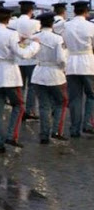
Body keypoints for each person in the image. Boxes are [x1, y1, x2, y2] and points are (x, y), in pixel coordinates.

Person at [0, 7, 40, 153]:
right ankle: (11, 136)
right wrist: (35, 44)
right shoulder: (11, 33)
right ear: (8, 19)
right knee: (19, 105)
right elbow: (23, 54)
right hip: (9, 73)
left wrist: (17, 41)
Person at [31, 12, 68, 143]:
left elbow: (30, 54)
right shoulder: (57, 38)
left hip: (39, 72)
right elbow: (61, 59)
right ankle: (57, 131)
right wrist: (64, 69)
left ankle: (44, 134)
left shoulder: (35, 37)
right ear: (52, 23)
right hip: (55, 74)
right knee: (61, 103)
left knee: (43, 106)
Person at [61, 0, 94, 138]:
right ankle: (87, 123)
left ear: (74, 11)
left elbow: (64, 44)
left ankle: (74, 128)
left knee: (74, 98)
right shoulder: (90, 26)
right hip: (88, 62)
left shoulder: (66, 25)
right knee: (91, 95)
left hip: (72, 63)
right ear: (86, 12)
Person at [13, 0, 40, 120]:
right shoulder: (35, 23)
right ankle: (30, 110)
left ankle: (20, 109)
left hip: (17, 57)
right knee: (32, 86)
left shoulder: (13, 22)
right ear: (31, 10)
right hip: (31, 57)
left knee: (20, 86)